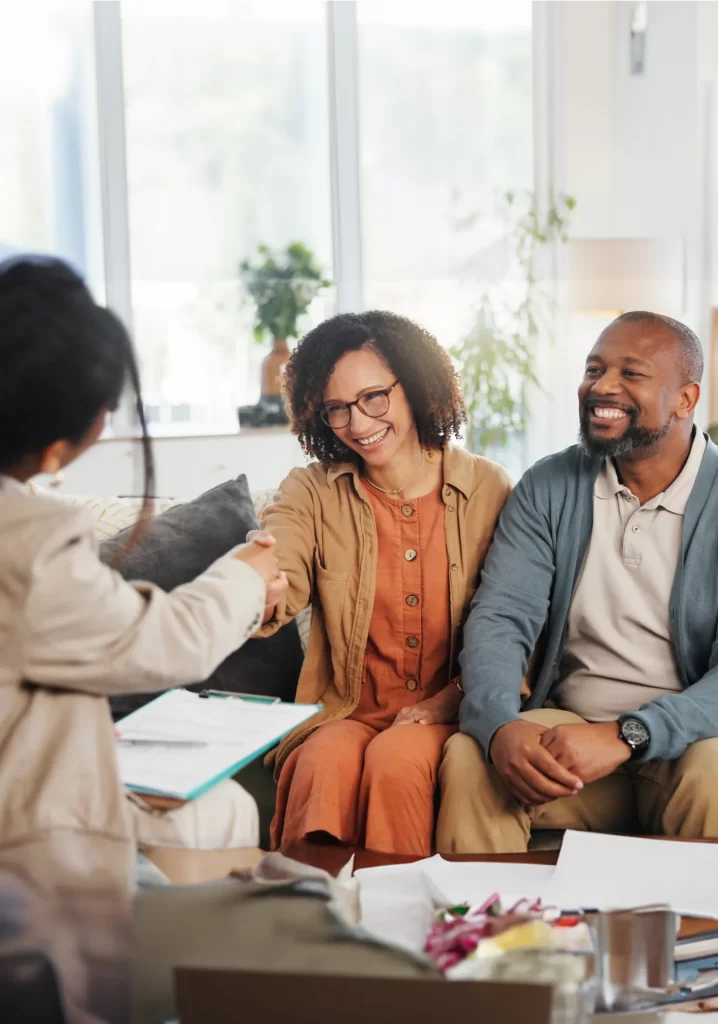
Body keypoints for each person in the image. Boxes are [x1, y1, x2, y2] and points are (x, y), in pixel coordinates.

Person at [0, 257, 286, 1023]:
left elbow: (81, 620)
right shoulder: (22, 543)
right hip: (26, 856)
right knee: (255, 934)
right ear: (65, 441)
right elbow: (172, 642)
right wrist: (251, 571)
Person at [437, 310, 718, 853]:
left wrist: (627, 735)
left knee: (715, 768)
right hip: (570, 737)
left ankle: (694, 939)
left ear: (685, 400)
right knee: (472, 755)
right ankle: (487, 932)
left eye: (631, 373)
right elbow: (500, 617)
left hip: (687, 745)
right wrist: (498, 726)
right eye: (594, 368)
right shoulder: (549, 484)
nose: (602, 386)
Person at [253, 310, 512, 871]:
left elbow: (520, 623)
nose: (357, 422)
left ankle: (404, 938)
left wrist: (452, 697)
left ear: (415, 387)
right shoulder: (311, 490)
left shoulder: (489, 487)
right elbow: (282, 560)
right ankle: (304, 933)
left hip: (453, 708)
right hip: (346, 711)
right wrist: (254, 578)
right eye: (337, 408)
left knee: (398, 759)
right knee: (321, 759)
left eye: (373, 397)